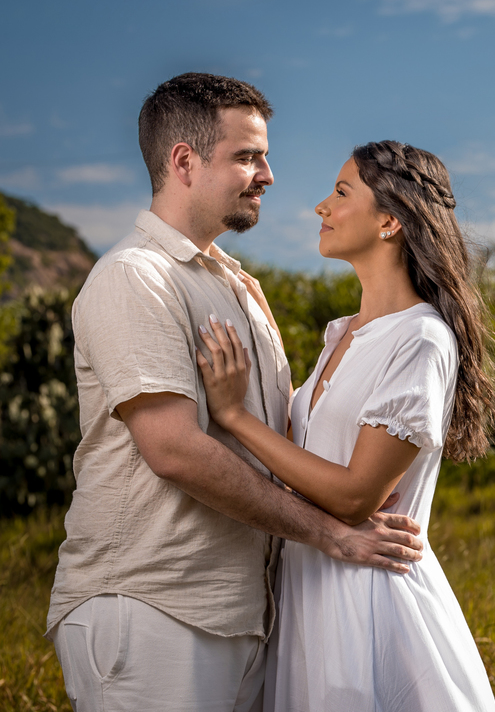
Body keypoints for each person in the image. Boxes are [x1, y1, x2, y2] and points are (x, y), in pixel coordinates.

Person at [47, 73, 425, 712]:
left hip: (242, 614)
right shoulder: (135, 278)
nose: (268, 174)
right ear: (184, 162)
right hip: (152, 608)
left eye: (265, 156)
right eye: (247, 156)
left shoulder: (237, 285)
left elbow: (274, 432)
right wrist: (334, 533)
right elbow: (175, 450)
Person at [195, 141, 495, 710]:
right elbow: (303, 457)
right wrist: (265, 335)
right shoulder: (344, 335)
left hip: (368, 606)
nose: (322, 207)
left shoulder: (420, 338)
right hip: (309, 595)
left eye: (341, 193)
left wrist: (234, 415)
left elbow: (356, 494)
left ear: (390, 221)